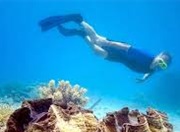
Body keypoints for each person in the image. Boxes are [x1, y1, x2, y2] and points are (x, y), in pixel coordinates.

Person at [39, 14, 172, 82]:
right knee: (96, 40)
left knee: (96, 52)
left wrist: (144, 79)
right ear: (157, 56)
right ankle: (78, 19)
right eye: (160, 61)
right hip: (118, 49)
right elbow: (127, 47)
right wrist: (107, 43)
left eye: (163, 66)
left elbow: (149, 72)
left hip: (119, 59)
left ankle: (81, 33)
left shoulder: (154, 69)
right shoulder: (146, 56)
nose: (159, 65)